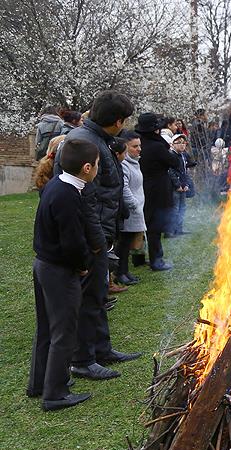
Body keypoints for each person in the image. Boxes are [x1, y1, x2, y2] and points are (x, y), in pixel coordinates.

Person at [56, 91, 140, 380]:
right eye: (125, 120)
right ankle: (82, 359)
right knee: (89, 297)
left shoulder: (97, 138)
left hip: (102, 231)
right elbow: (86, 198)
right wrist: (96, 240)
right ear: (117, 121)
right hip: (91, 235)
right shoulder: (86, 142)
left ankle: (102, 348)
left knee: (99, 294)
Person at [28, 139, 99, 410]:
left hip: (43, 264)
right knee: (63, 331)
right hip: (58, 269)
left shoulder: (58, 184)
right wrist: (82, 264)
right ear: (87, 167)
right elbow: (71, 240)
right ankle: (55, 393)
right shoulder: (68, 194)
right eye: (97, 165)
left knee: (47, 326)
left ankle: (39, 383)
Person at [137, 112, 183, 272]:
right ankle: (157, 260)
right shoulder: (156, 146)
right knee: (155, 226)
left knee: (146, 224)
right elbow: (174, 161)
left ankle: (142, 257)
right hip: (157, 188)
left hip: (142, 186)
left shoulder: (140, 143)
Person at [116, 134, 145, 286]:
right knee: (123, 242)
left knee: (127, 243)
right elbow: (124, 187)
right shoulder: (124, 165)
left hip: (136, 209)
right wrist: (134, 204)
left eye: (139, 146)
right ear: (125, 148)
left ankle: (125, 271)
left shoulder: (135, 162)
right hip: (129, 210)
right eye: (135, 146)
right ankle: (120, 273)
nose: (139, 149)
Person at [168, 134, 193, 235]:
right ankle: (170, 231)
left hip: (183, 186)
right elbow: (171, 172)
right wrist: (177, 185)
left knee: (182, 208)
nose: (182, 145)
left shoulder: (183, 156)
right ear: (172, 144)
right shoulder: (171, 155)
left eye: (183, 143)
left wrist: (186, 184)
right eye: (179, 143)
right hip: (175, 187)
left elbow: (184, 172)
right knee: (174, 208)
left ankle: (179, 229)